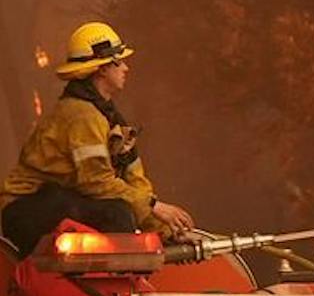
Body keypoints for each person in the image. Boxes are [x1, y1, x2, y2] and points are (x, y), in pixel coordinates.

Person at [3, 21, 195, 254]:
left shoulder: (111, 119)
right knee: (116, 213)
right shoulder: (80, 115)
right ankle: (113, 285)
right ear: (102, 68)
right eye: (119, 61)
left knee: (120, 210)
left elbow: (134, 182)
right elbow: (96, 182)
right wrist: (154, 207)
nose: (126, 68)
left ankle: (122, 283)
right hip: (27, 210)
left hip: (60, 200)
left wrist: (166, 232)